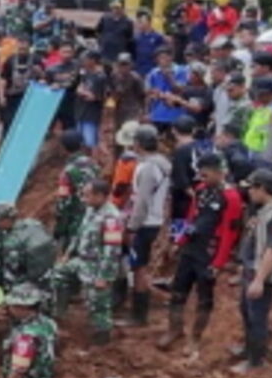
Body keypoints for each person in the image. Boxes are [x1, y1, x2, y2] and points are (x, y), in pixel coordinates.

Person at [159, 153, 237, 357]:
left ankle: (195, 338)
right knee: (178, 290)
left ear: (219, 173)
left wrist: (219, 262)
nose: (202, 179)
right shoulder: (201, 191)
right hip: (191, 247)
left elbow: (230, 232)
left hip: (210, 252)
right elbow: (191, 217)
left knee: (204, 297)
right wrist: (180, 241)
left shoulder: (230, 197)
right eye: (200, 176)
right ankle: (174, 329)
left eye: (206, 175)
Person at [234, 169, 272, 372]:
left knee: (257, 315)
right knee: (246, 310)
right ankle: (249, 348)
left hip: (266, 272)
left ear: (262, 189)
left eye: (252, 188)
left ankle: (256, 361)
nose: (249, 192)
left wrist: (259, 280)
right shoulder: (264, 208)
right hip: (253, 267)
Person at [53, 180, 123, 346]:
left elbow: (112, 250)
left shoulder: (111, 218)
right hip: (82, 259)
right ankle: (59, 315)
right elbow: (80, 233)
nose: (83, 199)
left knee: (97, 302)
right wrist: (68, 254)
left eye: (87, 195)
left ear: (100, 196)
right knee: (58, 274)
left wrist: (103, 276)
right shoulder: (90, 210)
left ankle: (101, 339)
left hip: (98, 265)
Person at [124, 127, 170, 328]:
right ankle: (138, 311)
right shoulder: (161, 164)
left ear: (139, 144)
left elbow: (142, 201)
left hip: (145, 222)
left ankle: (139, 315)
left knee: (139, 268)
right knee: (139, 266)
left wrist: (132, 227)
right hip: (154, 219)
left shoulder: (148, 168)